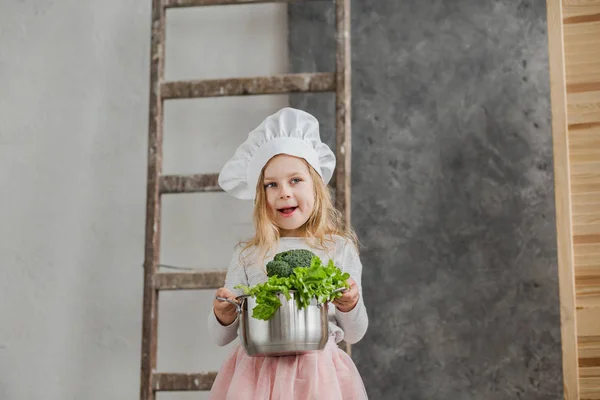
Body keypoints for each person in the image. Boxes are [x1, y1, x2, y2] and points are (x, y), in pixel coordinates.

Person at [208, 107, 369, 399]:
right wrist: (222, 314)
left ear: (316, 187)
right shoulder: (249, 255)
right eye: (272, 184)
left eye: (295, 180)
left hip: (318, 376)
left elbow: (356, 333)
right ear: (261, 198)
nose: (284, 191)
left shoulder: (338, 249)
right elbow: (221, 338)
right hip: (256, 376)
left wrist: (349, 303)